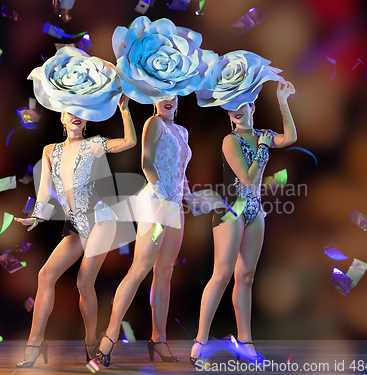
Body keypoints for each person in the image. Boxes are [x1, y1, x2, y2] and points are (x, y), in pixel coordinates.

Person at [14, 94, 136, 368]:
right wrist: (35, 218)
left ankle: (90, 342)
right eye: (70, 111)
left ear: (87, 120)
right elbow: (44, 194)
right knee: (45, 275)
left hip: (102, 220)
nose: (75, 115)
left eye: (81, 112)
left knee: (83, 282)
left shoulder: (93, 145)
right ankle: (35, 343)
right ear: (61, 116)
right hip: (77, 226)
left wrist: (124, 110)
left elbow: (129, 142)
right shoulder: (50, 151)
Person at [190, 81, 297, 365]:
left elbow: (289, 138)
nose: (236, 111)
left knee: (246, 277)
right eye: (230, 108)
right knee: (222, 274)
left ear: (252, 106)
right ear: (227, 114)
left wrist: (282, 101)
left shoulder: (263, 134)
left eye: (241, 105)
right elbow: (248, 179)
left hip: (254, 211)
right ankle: (200, 338)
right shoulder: (230, 141)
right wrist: (262, 149)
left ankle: (246, 341)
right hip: (230, 210)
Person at [96, 96, 191, 366]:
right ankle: (111, 335)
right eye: (161, 94)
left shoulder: (182, 131)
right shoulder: (153, 123)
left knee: (165, 271)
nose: (168, 100)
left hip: (173, 206)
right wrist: (164, 198)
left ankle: (158, 339)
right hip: (156, 203)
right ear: (153, 99)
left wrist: (190, 197)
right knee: (140, 268)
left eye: (172, 93)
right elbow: (146, 163)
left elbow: (180, 172)